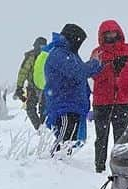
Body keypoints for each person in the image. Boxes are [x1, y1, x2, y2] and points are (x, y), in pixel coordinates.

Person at [43, 25, 102, 154]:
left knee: (69, 141)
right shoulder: (59, 54)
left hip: (71, 104)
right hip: (63, 105)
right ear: (73, 38)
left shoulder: (69, 54)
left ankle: (62, 167)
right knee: (64, 140)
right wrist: (95, 63)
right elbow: (78, 72)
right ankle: (52, 165)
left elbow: (80, 72)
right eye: (79, 40)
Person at [90, 20, 128, 174]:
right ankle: (100, 166)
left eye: (113, 32)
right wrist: (109, 67)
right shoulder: (98, 52)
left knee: (121, 137)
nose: (110, 35)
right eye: (107, 33)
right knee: (101, 137)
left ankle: (120, 166)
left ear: (118, 32)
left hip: (122, 100)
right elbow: (93, 75)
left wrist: (125, 67)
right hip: (102, 101)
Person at [14, 37, 48, 129]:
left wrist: (19, 87)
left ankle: (40, 128)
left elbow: (23, 72)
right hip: (46, 88)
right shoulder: (49, 55)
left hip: (33, 87)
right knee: (44, 109)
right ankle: (43, 128)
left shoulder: (31, 56)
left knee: (30, 108)